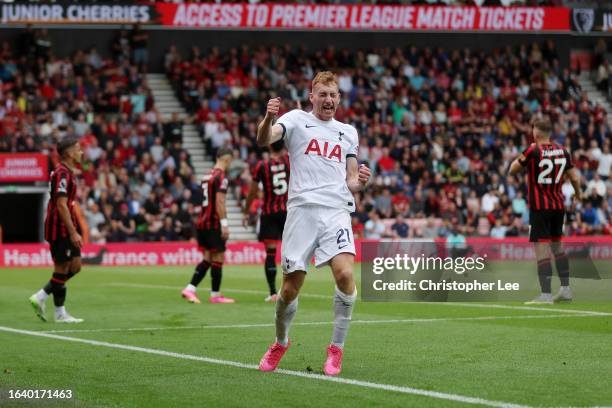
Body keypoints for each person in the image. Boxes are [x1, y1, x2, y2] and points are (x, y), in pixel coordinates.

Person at [256, 71, 371, 376]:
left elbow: (350, 180)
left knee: (345, 274)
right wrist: (268, 118)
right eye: (322, 94)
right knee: (290, 289)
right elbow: (264, 139)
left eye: (333, 94)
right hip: (302, 211)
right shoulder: (295, 120)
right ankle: (280, 342)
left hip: (336, 210)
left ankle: (336, 349)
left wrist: (359, 181)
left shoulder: (348, 132)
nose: (328, 99)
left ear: (339, 98)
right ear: (312, 96)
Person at [509, 118, 582, 304]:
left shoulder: (532, 150)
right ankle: (565, 289)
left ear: (536, 131)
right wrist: (578, 194)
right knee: (558, 247)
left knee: (542, 251)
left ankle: (546, 295)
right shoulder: (563, 151)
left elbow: (513, 170)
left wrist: (523, 157)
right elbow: (574, 177)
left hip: (540, 208)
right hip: (558, 206)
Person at [29, 138, 84, 323]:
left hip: (68, 225)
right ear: (69, 153)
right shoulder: (62, 173)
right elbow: (61, 205)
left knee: (75, 266)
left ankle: (45, 299)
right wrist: (72, 231)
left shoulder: (68, 172)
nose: (81, 152)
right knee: (62, 268)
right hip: (59, 227)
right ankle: (51, 305)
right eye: (78, 149)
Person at [181, 147, 235, 304]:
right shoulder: (221, 177)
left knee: (208, 258)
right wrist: (224, 224)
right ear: (226, 160)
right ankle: (215, 295)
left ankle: (190, 289)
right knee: (218, 258)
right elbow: (219, 202)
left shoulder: (206, 175)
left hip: (202, 222)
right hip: (213, 222)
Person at [243, 140, 290, 302]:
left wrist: (246, 211)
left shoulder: (261, 166)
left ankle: (273, 293)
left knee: (271, 253)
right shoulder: (289, 161)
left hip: (269, 213)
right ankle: (291, 291)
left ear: (269, 146)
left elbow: (252, 192)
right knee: (291, 252)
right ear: (283, 146)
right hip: (288, 212)